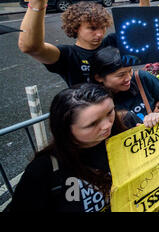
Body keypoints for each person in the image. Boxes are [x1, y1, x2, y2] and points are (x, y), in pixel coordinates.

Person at [18, 0, 156, 86]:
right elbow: (31, 47)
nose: (100, 33)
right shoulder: (67, 55)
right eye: (92, 28)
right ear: (75, 28)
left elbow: (141, 28)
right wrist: (38, 0)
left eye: (102, 27)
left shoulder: (111, 42)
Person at [8, 83, 129, 212]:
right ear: (66, 129)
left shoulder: (125, 134)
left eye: (110, 112)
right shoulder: (43, 170)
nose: (106, 125)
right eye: (93, 123)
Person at [90, 46, 159, 128]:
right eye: (121, 75)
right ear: (99, 78)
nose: (129, 78)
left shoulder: (141, 78)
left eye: (130, 70)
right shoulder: (95, 102)